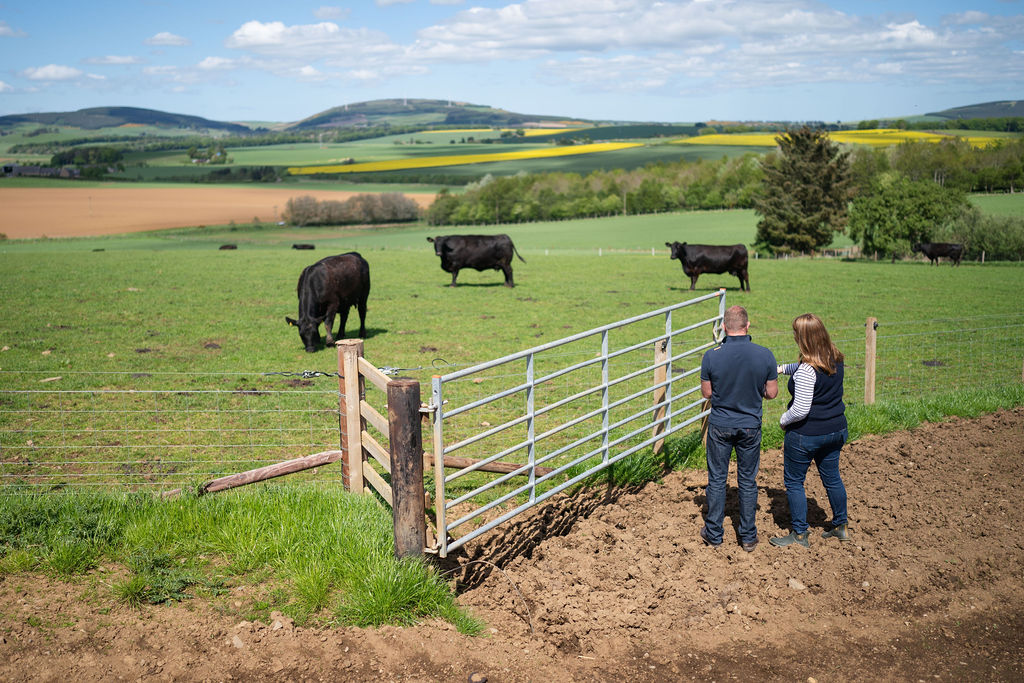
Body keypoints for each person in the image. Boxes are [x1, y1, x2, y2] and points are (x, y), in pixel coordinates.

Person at [699, 305, 778, 552]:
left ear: (724, 326)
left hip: (721, 424)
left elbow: (707, 393)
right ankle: (748, 536)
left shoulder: (711, 356)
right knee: (747, 480)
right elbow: (772, 393)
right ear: (748, 325)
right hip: (750, 426)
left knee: (717, 479)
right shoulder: (765, 355)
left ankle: (713, 533)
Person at [770, 313, 850, 548]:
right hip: (836, 429)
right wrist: (781, 368)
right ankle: (841, 526)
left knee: (794, 482)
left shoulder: (807, 371)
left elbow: (801, 409)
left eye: (796, 333)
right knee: (832, 477)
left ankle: (800, 534)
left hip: (807, 434)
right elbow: (807, 367)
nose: (794, 337)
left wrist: (784, 421)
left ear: (804, 338)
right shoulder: (835, 358)